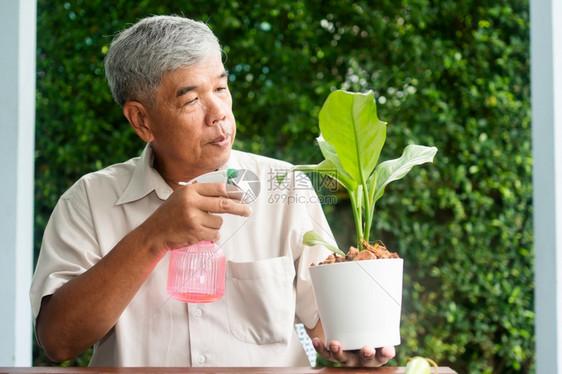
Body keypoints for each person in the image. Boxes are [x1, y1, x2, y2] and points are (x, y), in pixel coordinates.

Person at [30, 15, 396, 367]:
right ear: (141, 120)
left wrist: (354, 346)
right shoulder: (89, 201)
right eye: (191, 100)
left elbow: (325, 324)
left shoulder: (284, 186)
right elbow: (59, 342)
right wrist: (152, 237)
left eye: (221, 88)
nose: (219, 112)